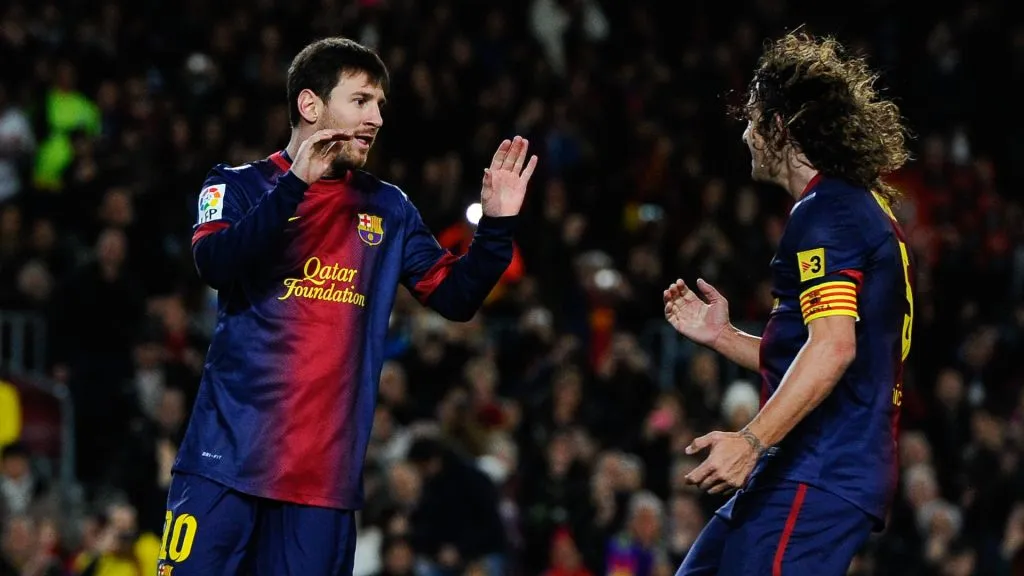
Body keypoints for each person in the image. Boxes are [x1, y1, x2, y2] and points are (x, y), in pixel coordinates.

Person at [160, 37, 537, 575]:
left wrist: (497, 229)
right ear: (310, 105)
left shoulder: (387, 207)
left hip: (321, 486)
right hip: (223, 465)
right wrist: (295, 186)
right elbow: (217, 264)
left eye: (380, 104)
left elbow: (455, 298)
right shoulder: (236, 186)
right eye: (361, 101)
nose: (377, 117)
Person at [663, 32, 913, 575]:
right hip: (804, 463)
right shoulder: (851, 205)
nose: (747, 134)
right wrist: (726, 338)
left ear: (780, 128)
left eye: (753, 120)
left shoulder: (827, 212)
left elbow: (834, 349)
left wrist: (750, 440)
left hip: (821, 466)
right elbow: (827, 352)